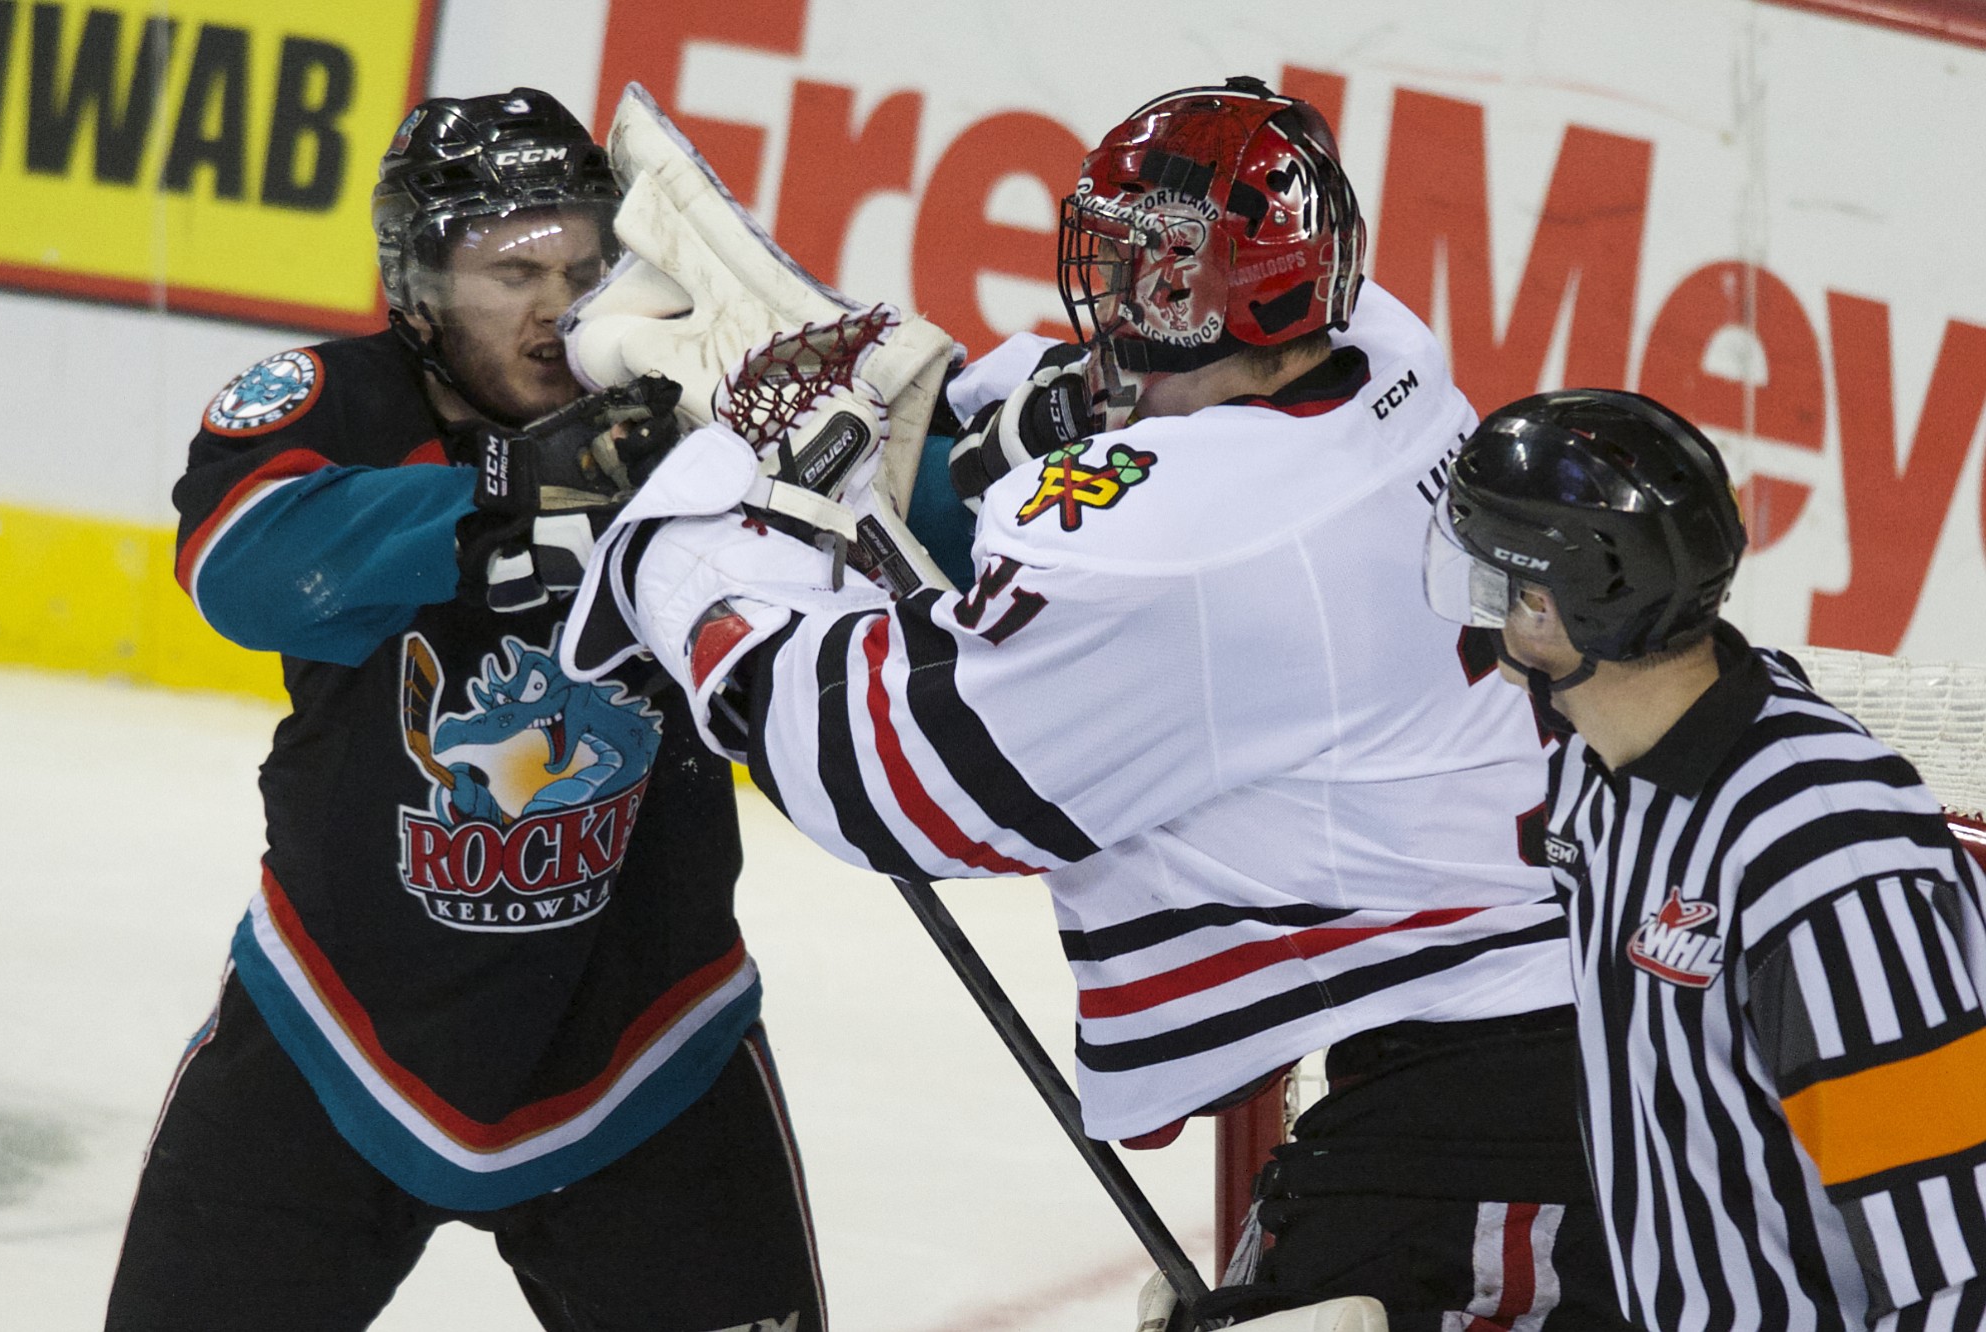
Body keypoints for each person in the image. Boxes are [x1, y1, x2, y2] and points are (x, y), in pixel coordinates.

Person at [565, 78, 1631, 1328]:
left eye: (1148, 275)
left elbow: (882, 774)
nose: (1113, 304)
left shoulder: (1189, 548)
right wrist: (982, 415)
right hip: (1552, 1047)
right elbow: (1120, 424)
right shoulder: (1383, 352)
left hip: (1487, 1122)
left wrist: (694, 524)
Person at [107, 89, 826, 1332]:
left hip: (646, 1045)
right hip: (334, 1028)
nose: (558, 305)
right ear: (421, 290)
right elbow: (243, 570)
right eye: (510, 270)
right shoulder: (332, 403)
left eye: (585, 265)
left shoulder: (698, 411)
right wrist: (523, 492)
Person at [1425, 387, 1986, 1330]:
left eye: (1491, 583)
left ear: (1547, 608)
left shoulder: (1825, 867)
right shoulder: (1603, 775)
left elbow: (1961, 1265)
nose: (1472, 614)